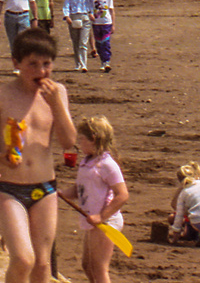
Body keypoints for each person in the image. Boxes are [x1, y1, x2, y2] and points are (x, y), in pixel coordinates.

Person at [0, 28, 76, 283]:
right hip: (9, 186)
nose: (41, 72)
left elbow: (69, 142)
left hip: (45, 187)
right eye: (33, 64)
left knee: (42, 265)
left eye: (47, 64)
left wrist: (56, 105)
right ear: (16, 63)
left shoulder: (58, 93)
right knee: (22, 259)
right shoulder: (0, 95)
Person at [67, 116, 128, 283]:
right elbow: (78, 189)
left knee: (99, 268)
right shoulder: (87, 162)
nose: (79, 142)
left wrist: (102, 216)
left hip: (106, 223)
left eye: (82, 139)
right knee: (88, 265)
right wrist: (59, 193)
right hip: (92, 222)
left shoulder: (107, 164)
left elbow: (122, 195)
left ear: (93, 139)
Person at [62, 0, 93, 72]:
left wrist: (91, 13)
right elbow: (66, 5)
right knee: (75, 41)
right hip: (74, 17)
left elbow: (90, 4)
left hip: (85, 17)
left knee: (83, 42)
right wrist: (66, 16)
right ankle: (78, 63)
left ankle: (84, 64)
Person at [89, 0, 115, 73]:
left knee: (106, 43)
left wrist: (113, 24)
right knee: (99, 43)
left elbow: (111, 11)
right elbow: (90, 9)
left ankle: (107, 61)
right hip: (96, 23)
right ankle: (102, 61)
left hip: (106, 23)